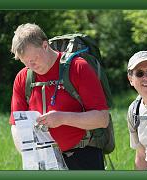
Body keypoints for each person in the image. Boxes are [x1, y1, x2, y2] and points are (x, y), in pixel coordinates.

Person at [9, 23, 109, 170]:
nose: (31, 65)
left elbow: (102, 119)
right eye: (25, 62)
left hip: (83, 156)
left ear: (45, 45)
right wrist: (29, 154)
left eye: (34, 59)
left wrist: (63, 118)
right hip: (42, 161)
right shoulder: (23, 78)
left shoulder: (78, 67)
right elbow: (16, 125)